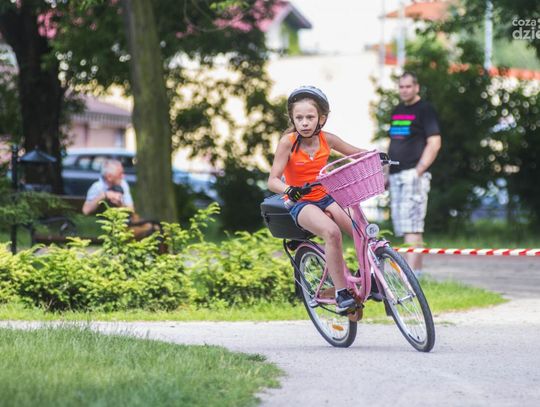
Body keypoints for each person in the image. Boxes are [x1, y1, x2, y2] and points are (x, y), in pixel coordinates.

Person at [267, 86, 368, 313]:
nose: (304, 123)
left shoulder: (327, 140)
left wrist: (376, 155)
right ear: (292, 119)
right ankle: (342, 292)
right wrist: (289, 189)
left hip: (326, 196)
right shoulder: (287, 142)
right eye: (299, 118)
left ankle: (367, 276)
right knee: (331, 233)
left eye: (310, 117)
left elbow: (357, 153)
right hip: (302, 202)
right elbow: (272, 180)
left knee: (361, 230)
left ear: (321, 118)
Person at [387, 72, 442, 276]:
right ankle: (415, 273)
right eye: (401, 87)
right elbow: (393, 143)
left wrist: (419, 170)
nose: (404, 90)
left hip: (413, 174)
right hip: (395, 175)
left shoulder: (425, 109)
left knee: (412, 226)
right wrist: (385, 173)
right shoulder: (397, 110)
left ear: (416, 87)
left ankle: (411, 275)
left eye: (408, 86)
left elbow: (434, 142)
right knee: (404, 226)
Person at [82, 159, 159, 240]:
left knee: (154, 227)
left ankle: (149, 232)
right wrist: (104, 195)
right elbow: (86, 211)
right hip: (109, 227)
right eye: (120, 174)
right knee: (150, 230)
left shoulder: (123, 184)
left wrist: (120, 204)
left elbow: (131, 210)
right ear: (109, 177)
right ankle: (148, 232)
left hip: (127, 222)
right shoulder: (97, 187)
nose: (123, 176)